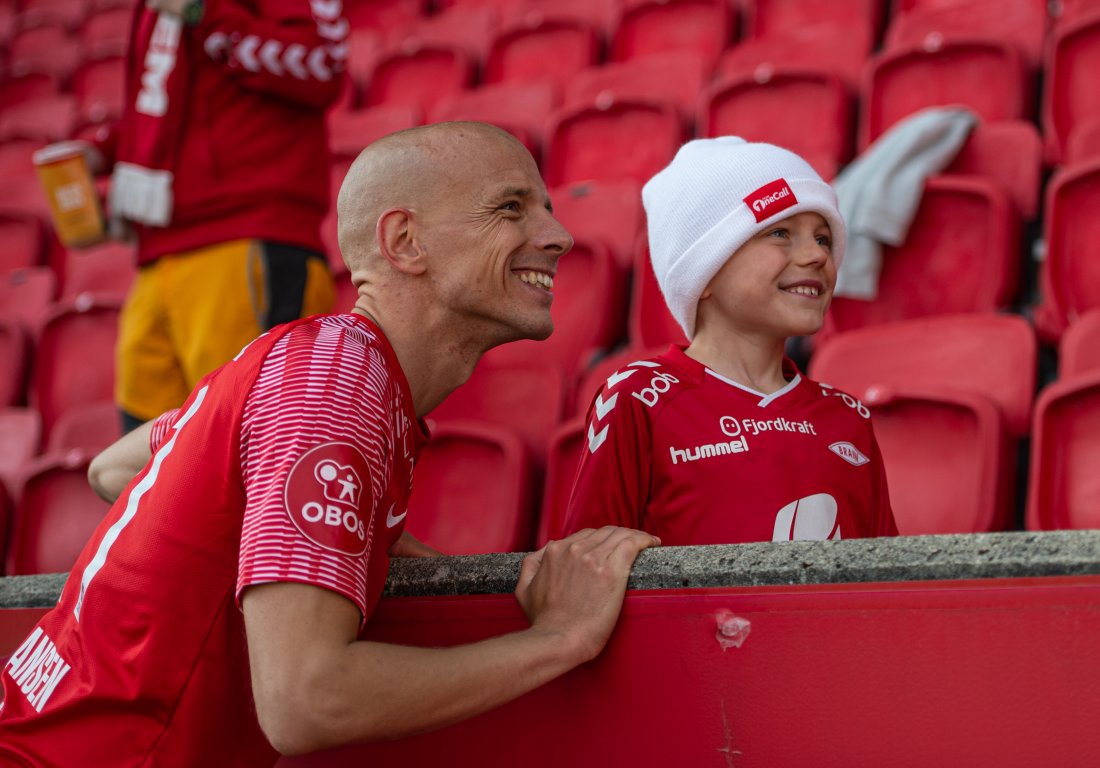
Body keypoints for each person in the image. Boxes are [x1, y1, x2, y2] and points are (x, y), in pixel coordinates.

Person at [0, 122, 660, 766]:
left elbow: (114, 467)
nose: (559, 235)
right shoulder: (333, 387)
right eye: (511, 208)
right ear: (405, 242)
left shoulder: (312, 370)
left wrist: (312, 532)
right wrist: (558, 640)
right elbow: (304, 702)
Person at [561, 137, 898, 545]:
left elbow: (881, 587)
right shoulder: (639, 398)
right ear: (703, 274)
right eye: (780, 232)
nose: (817, 256)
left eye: (823, 238)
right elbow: (584, 576)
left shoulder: (849, 418)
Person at [61, 0, 347, 431]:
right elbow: (176, 105)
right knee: (148, 467)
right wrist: (104, 152)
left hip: (245, 238)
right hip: (161, 254)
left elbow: (323, 64)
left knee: (248, 452)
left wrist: (203, 13)